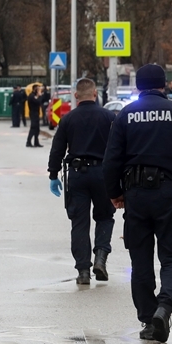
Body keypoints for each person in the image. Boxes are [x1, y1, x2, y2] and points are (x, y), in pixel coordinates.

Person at [102, 64, 172, 343]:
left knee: (140, 259)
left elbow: (111, 160)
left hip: (136, 196)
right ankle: (164, 307)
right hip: (169, 194)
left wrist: (115, 193)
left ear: (138, 86)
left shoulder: (126, 114)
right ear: (164, 84)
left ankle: (148, 319)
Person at [48, 78, 116, 285]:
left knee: (79, 223)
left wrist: (53, 174)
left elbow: (57, 148)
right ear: (95, 94)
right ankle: (101, 257)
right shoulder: (109, 117)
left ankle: (83, 271)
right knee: (105, 217)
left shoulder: (68, 119)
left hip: (77, 174)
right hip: (103, 174)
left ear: (76, 96)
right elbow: (118, 148)